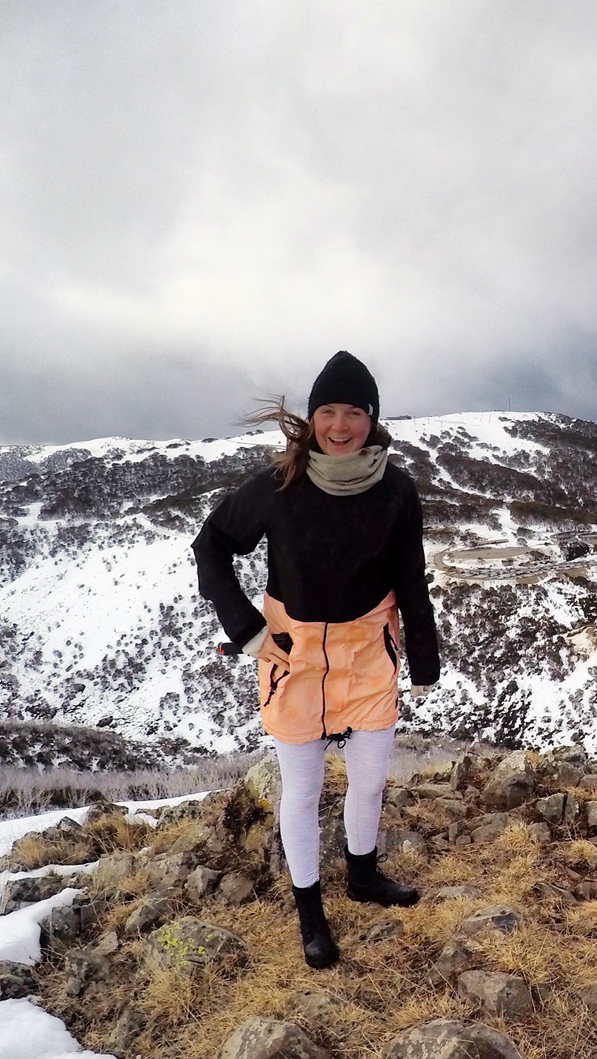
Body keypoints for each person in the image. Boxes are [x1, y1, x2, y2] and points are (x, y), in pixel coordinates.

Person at [192, 350, 440, 969]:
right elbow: (211, 546)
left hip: (368, 653)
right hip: (294, 656)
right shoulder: (280, 487)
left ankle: (362, 874)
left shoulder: (395, 489)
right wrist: (247, 631)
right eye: (327, 410)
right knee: (301, 792)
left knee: (371, 778)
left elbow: (411, 575)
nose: (339, 424)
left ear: (371, 419)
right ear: (310, 418)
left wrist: (425, 653)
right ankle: (310, 911)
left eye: (354, 411)